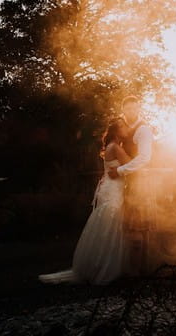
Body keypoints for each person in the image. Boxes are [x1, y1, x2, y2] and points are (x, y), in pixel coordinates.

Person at [38, 118, 131, 285]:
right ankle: (104, 268)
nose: (127, 129)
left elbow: (115, 170)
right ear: (117, 131)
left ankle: (96, 264)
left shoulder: (112, 147)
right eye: (124, 126)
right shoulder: (116, 148)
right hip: (113, 192)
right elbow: (132, 164)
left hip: (109, 189)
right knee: (110, 228)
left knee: (106, 227)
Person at [108, 96, 156, 275]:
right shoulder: (124, 129)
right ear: (123, 110)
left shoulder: (143, 130)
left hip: (139, 183)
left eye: (134, 108)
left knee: (138, 228)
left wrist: (120, 171)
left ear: (139, 109)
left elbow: (144, 158)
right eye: (128, 109)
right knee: (133, 228)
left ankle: (138, 273)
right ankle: (139, 270)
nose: (131, 112)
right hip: (128, 182)